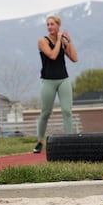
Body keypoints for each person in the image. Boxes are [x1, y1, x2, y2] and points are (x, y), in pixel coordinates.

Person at [34, 15, 79, 153]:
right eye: (48, 24)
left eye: (52, 24)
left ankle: (69, 140)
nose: (49, 27)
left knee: (67, 111)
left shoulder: (62, 41)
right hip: (48, 81)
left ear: (58, 26)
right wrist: (59, 40)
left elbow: (74, 58)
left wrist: (69, 41)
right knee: (46, 112)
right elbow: (53, 55)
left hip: (63, 79)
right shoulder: (42, 41)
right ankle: (40, 141)